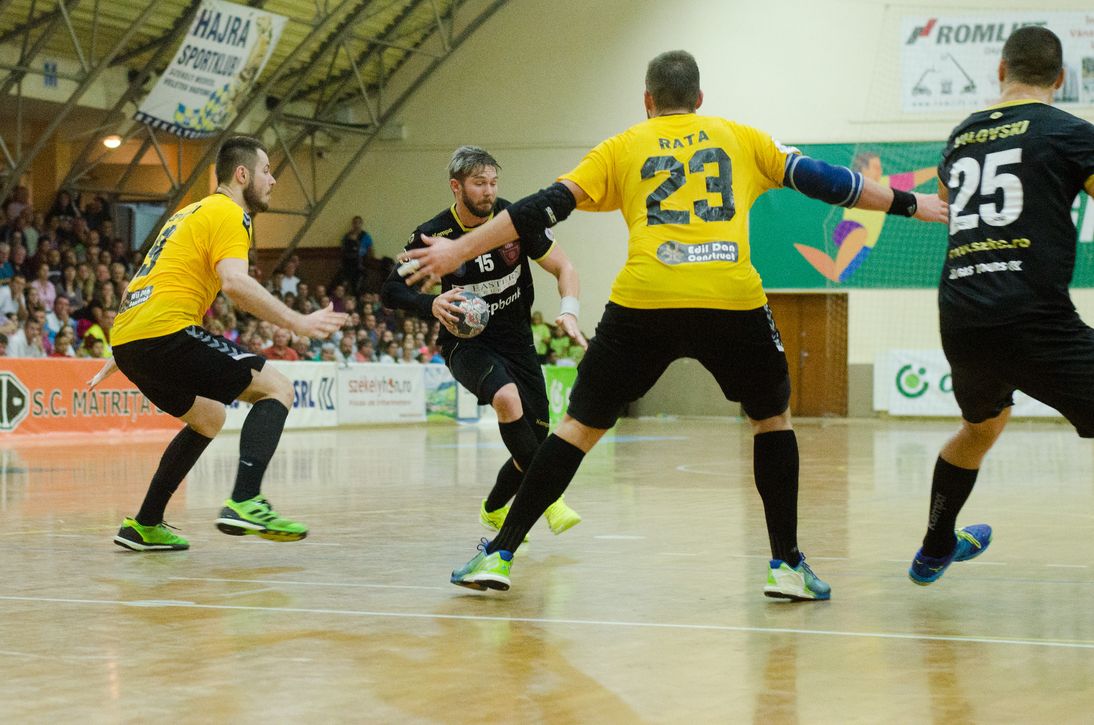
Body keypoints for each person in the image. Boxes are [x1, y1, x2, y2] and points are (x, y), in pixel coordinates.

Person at [404, 51, 947, 598]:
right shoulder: (742, 138)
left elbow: (540, 208)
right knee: (772, 420)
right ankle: (786, 565)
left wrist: (458, 251)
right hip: (730, 299)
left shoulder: (622, 147)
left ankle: (498, 555)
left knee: (577, 428)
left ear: (647, 100)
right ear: (700, 98)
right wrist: (910, 203)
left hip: (645, 301)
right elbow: (828, 181)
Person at [88, 135, 346, 552]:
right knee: (277, 388)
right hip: (163, 331)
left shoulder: (188, 213)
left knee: (208, 417)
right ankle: (246, 500)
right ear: (241, 175)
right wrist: (297, 321)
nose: (273, 180)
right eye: (266, 171)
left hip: (135, 336)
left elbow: (144, 278)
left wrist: (124, 345)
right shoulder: (230, 212)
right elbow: (235, 283)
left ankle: (145, 524)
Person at [907, 27, 1094, 585]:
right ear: (1061, 79)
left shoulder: (963, 133)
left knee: (980, 428)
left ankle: (935, 547)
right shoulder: (1069, 132)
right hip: (1031, 317)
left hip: (962, 318)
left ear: (999, 70)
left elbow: (946, 200)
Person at [383, 145, 587, 539]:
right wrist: (430, 303)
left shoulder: (516, 220)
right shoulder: (435, 234)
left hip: (518, 341)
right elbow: (391, 290)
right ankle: (549, 497)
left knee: (533, 439)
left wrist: (569, 309)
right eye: (479, 183)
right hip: (467, 344)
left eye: (493, 182)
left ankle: (493, 510)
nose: (489, 191)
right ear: (456, 187)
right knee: (507, 399)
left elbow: (564, 267)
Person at [339, 216, 373, 293]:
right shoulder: (347, 236)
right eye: (355, 223)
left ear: (361, 224)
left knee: (358, 287)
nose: (357, 225)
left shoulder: (366, 236)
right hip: (348, 265)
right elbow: (342, 249)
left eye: (359, 223)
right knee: (345, 285)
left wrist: (366, 263)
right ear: (352, 224)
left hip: (360, 265)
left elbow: (370, 251)